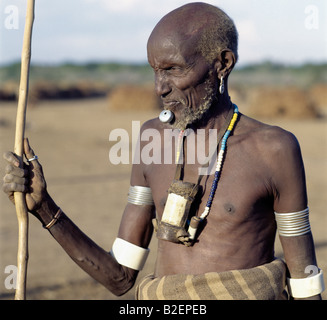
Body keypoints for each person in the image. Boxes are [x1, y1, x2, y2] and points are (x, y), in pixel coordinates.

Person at [2, 2, 324, 300]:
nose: (159, 87)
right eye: (155, 70)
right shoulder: (150, 138)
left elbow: (305, 282)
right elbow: (120, 277)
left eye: (173, 69)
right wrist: (44, 207)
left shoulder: (274, 149)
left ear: (222, 64)